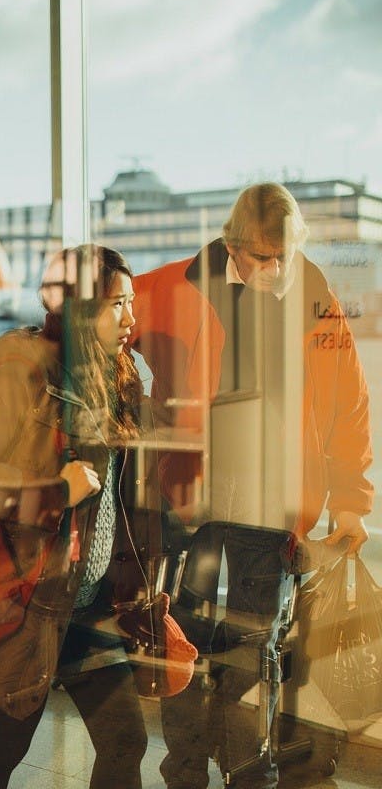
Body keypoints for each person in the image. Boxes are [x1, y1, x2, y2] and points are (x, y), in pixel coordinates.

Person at [130, 183, 373, 789]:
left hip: (273, 503)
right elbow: (99, 321)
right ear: (234, 246)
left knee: (251, 643)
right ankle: (185, 768)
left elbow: (350, 405)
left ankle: (239, 758)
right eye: (259, 258)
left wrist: (351, 503)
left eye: (282, 257)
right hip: (193, 499)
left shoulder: (317, 299)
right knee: (183, 638)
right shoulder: (176, 286)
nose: (271, 270)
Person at [0, 244, 149, 789]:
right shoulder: (24, 376)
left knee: (125, 741)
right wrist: (54, 492)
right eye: (116, 304)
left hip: (89, 602)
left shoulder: (118, 377)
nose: (131, 318)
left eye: (131, 302)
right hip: (29, 605)